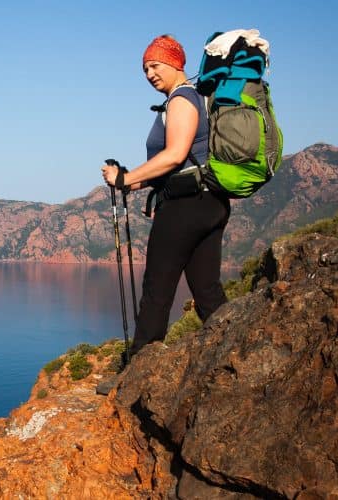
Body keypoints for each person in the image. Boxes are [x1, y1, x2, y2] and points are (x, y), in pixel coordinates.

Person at [98, 35, 230, 392]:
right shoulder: (193, 98)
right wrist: (132, 183)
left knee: (157, 289)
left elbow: (173, 156)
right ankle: (238, 354)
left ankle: (136, 377)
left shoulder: (183, 99)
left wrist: (125, 177)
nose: (149, 74)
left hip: (186, 209)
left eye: (155, 65)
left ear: (176, 63)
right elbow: (177, 166)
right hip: (207, 203)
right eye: (145, 69)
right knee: (207, 291)